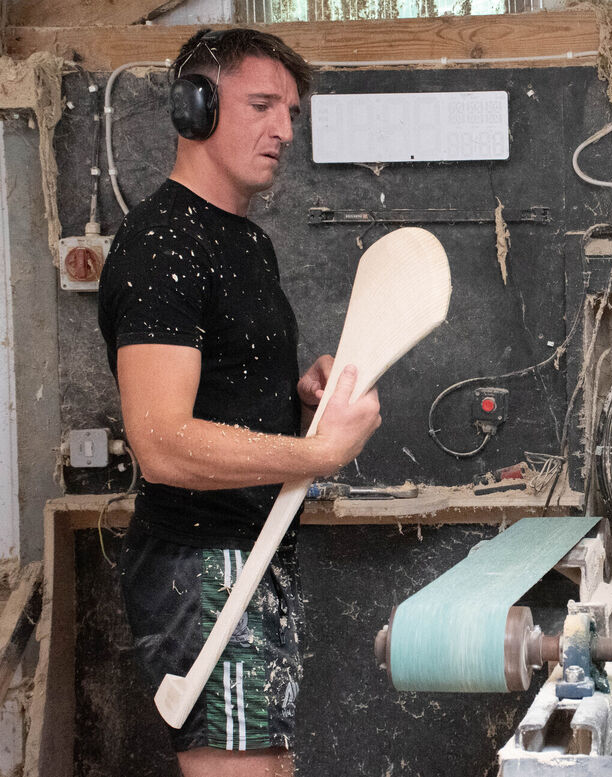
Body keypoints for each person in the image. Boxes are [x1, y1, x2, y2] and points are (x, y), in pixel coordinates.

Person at [97, 28, 381, 777]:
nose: (284, 129)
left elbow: (222, 391)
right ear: (194, 108)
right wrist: (318, 452)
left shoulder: (244, 243)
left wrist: (297, 397)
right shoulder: (163, 243)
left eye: (290, 110)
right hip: (201, 566)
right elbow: (160, 441)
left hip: (256, 552)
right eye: (262, 104)